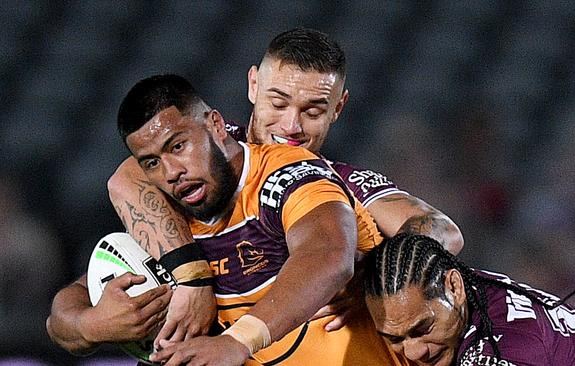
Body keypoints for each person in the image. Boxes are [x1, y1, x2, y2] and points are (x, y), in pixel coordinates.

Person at [107, 27, 463, 342]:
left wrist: (370, 276)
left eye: (313, 111)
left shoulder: (335, 182)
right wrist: (191, 277)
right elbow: (127, 175)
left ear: (338, 108)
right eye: (278, 103)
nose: (291, 126)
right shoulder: (201, 156)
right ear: (253, 85)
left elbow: (443, 231)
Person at [121, 74, 410, 365]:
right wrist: (91, 324)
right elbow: (77, 303)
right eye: (152, 163)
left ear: (216, 125)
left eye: (178, 146)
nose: (171, 172)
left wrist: (237, 340)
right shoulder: (168, 221)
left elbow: (328, 254)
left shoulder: (285, 173)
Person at [364, 234, 575, 365]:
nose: (414, 352)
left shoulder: (504, 350)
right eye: (396, 339)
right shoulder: (452, 283)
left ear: (454, 286)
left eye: (422, 329)